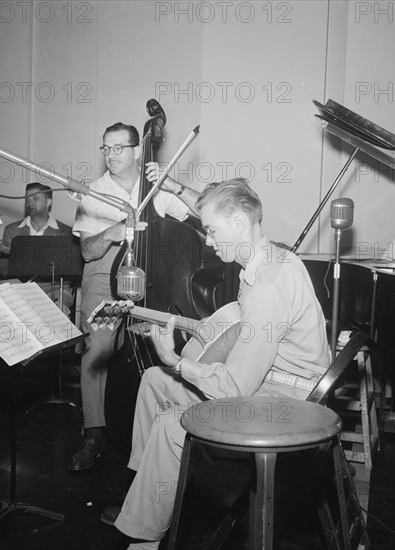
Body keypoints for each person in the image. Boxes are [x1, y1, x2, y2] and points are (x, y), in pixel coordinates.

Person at [109, 178, 331, 550]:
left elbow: (235, 387)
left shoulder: (267, 287)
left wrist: (177, 360)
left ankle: (144, 538)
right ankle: (151, 494)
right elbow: (245, 334)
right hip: (270, 379)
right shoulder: (272, 258)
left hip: (287, 401)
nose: (207, 241)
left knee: (170, 421)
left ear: (240, 222)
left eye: (211, 230)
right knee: (152, 381)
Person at [68, 122, 199, 471]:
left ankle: (160, 426)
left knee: (160, 344)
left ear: (138, 150)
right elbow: (86, 251)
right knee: (100, 346)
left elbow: (203, 212)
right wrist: (113, 231)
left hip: (151, 271)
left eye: (119, 148)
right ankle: (94, 431)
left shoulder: (154, 187)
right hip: (106, 271)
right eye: (106, 149)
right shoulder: (93, 191)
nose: (111, 155)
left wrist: (174, 185)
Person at [0, 182, 75, 315]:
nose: (29, 203)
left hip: (54, 290)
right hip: (19, 289)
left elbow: (67, 275)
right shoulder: (12, 230)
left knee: (56, 315)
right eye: (27, 199)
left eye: (35, 198)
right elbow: (2, 267)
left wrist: (22, 260)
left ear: (48, 202)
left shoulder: (65, 232)